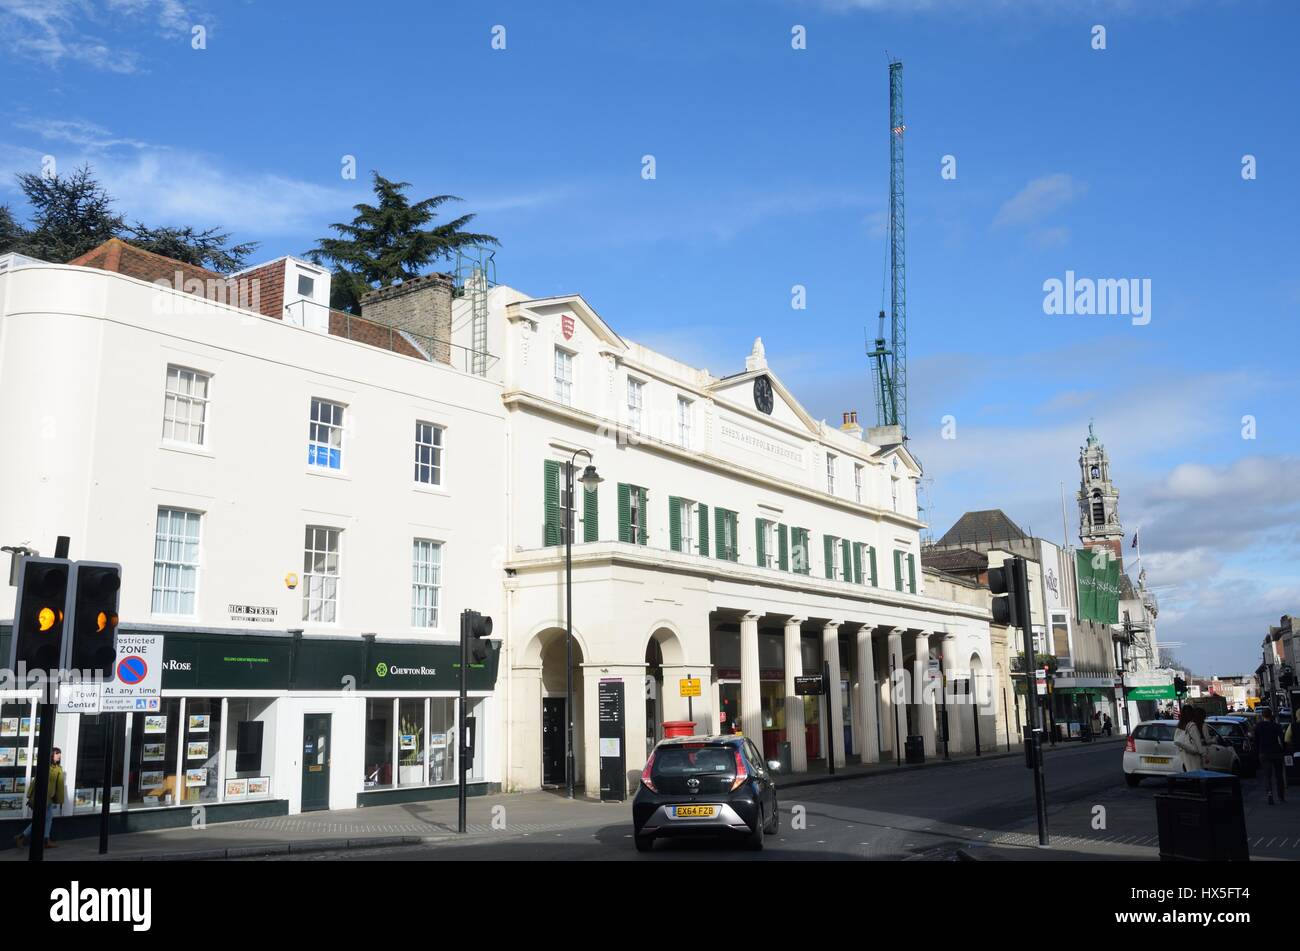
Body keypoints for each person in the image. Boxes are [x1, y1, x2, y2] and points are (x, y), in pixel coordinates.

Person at [14, 747, 65, 848]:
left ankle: (44, 839)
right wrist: (30, 795)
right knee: (41, 819)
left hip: (50, 798)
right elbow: (35, 781)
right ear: (51, 755)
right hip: (42, 797)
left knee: (48, 818)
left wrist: (58, 798)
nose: (59, 755)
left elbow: (59, 785)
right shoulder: (46, 767)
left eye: (60, 753)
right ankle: (23, 836)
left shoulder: (58, 768)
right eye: (57, 753)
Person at [1255, 707, 1286, 805]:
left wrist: (1257, 753)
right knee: (1278, 776)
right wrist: (1283, 750)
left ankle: (1269, 794)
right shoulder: (1276, 726)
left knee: (1267, 776)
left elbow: (1256, 741)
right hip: (1276, 752)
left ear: (1262, 716)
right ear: (1271, 715)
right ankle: (1281, 796)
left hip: (1264, 753)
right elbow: (1282, 739)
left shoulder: (1258, 726)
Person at [1173, 707, 1206, 772]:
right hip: (1193, 755)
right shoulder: (1192, 725)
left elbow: (1177, 739)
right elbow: (1197, 741)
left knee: (1190, 773)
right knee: (1197, 773)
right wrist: (1203, 754)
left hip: (1184, 753)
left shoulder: (1180, 725)